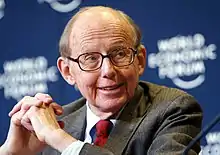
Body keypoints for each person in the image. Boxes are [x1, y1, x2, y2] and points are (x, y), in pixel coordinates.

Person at [0, 6, 203, 155]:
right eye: (90, 58)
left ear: (139, 60)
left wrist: (60, 140)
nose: (108, 71)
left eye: (120, 54)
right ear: (67, 71)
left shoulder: (173, 109)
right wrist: (11, 153)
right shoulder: (61, 122)